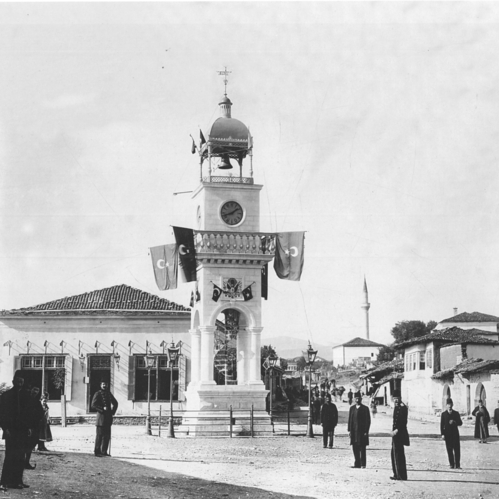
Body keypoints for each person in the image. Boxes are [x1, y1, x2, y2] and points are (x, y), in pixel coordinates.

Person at [0, 371, 31, 490]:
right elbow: (1, 414)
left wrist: (28, 427)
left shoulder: (25, 396)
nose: (20, 383)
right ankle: (4, 482)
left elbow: (27, 414)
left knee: (21, 456)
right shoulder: (6, 396)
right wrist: (5, 428)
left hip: (22, 430)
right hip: (10, 430)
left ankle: (18, 481)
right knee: (10, 455)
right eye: (18, 381)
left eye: (22, 381)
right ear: (13, 381)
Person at [91, 380, 118, 457]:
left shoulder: (109, 394)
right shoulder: (97, 393)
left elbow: (115, 403)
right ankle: (97, 452)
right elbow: (93, 405)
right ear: (100, 385)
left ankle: (104, 451)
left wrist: (112, 412)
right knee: (99, 435)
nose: (104, 385)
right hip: (101, 418)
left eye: (105, 384)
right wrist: (102, 409)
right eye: (103, 384)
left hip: (108, 418)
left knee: (107, 436)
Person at [347, 392, 371, 469]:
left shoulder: (365, 409)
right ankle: (357, 463)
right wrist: (349, 430)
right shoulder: (352, 408)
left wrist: (366, 431)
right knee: (355, 447)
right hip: (354, 432)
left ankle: (363, 464)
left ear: (361, 399)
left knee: (362, 448)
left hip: (362, 432)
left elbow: (368, 421)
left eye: (358, 398)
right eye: (356, 398)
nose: (357, 400)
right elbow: (350, 420)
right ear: (354, 399)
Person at [390, 391, 409, 480]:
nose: (396, 400)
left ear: (400, 398)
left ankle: (401, 475)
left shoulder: (403, 407)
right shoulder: (396, 407)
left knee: (399, 454)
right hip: (395, 434)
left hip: (400, 434)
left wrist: (396, 430)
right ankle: (396, 473)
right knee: (394, 453)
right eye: (394, 399)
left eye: (397, 398)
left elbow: (403, 422)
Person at [25, 387, 44, 470]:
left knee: (32, 443)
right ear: (31, 390)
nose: (35, 392)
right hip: (26, 426)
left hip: (35, 425)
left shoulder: (37, 402)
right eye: (34, 390)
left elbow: (41, 413)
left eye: (37, 390)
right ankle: (24, 462)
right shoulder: (25, 401)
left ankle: (26, 462)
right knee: (26, 444)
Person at [440, 398, 463, 469]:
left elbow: (460, 423)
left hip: (455, 434)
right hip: (447, 435)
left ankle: (458, 465)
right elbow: (442, 425)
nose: (449, 406)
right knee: (449, 450)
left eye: (450, 404)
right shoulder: (443, 414)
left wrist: (454, 422)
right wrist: (442, 434)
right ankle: (451, 464)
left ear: (452, 405)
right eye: (448, 404)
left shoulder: (456, 413)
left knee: (457, 450)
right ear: (446, 405)